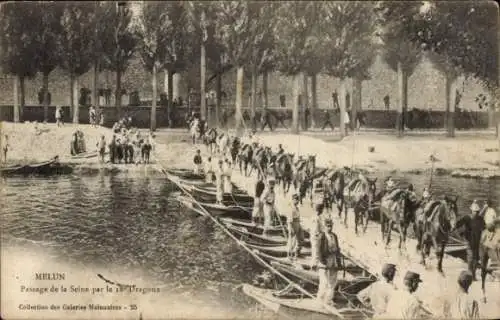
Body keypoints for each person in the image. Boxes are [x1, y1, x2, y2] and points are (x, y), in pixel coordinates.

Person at [455, 200, 486, 280]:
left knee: (476, 258)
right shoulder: (467, 217)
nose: (475, 213)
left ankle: (474, 274)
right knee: (470, 256)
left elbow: (484, 228)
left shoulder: (480, 219)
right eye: (474, 211)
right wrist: (460, 233)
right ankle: (469, 273)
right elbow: (458, 224)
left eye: (477, 211)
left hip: (477, 241)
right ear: (471, 211)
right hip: (468, 239)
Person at [316, 218, 342, 306]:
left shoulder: (334, 236)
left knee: (332, 282)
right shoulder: (322, 236)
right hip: (325, 261)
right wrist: (323, 263)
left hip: (333, 260)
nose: (330, 228)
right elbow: (319, 251)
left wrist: (339, 263)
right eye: (328, 226)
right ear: (324, 227)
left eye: (331, 226)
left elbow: (337, 250)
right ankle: (320, 300)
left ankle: (328, 300)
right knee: (324, 282)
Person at [287, 194, 303, 259]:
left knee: (300, 239)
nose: (297, 201)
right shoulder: (291, 208)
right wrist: (291, 228)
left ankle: (297, 252)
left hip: (298, 224)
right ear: (293, 200)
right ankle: (289, 254)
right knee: (292, 241)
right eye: (295, 199)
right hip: (293, 225)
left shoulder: (297, 208)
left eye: (297, 199)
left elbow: (298, 218)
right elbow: (290, 220)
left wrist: (300, 226)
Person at [310, 203, 325, 268]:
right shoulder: (317, 218)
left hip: (314, 235)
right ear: (320, 210)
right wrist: (320, 234)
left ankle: (314, 263)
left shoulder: (315, 216)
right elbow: (316, 228)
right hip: (316, 236)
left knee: (315, 250)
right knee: (316, 250)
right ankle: (314, 265)